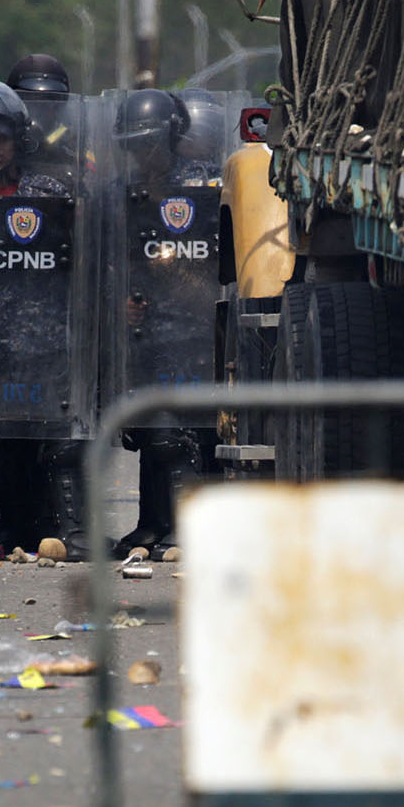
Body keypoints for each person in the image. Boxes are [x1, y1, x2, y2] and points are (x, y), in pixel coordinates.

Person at [0, 82, 89, 559]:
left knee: (51, 446)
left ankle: (50, 534)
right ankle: (4, 535)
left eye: (1, 139)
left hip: (49, 339)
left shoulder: (51, 194)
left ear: (18, 140)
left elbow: (80, 264)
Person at [109, 89, 222, 557]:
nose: (142, 152)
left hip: (200, 325)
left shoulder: (205, 185)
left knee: (194, 431)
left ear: (172, 137)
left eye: (149, 142)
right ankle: (152, 522)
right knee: (153, 426)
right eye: (134, 144)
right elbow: (115, 259)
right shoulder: (128, 192)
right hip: (149, 329)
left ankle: (188, 526)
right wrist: (121, 301)